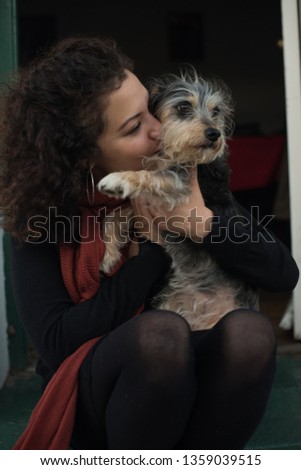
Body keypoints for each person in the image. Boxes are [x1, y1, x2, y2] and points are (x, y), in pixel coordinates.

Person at [0, 35, 299, 451]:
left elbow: (282, 273)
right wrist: (153, 251)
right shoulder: (41, 217)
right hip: (103, 386)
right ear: (85, 155)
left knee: (251, 330)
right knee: (160, 334)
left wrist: (202, 223)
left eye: (151, 109)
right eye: (135, 126)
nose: (159, 129)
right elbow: (58, 342)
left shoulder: (192, 180)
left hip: (191, 376)